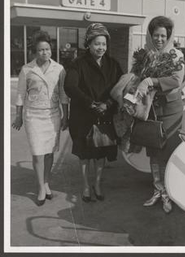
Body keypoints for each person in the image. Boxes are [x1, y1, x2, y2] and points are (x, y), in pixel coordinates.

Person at [64, 23, 122, 202]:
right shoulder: (78, 64)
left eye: (104, 44)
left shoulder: (113, 64)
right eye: (97, 43)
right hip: (83, 116)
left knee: (100, 153)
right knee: (84, 154)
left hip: (105, 114)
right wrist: (91, 103)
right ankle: (86, 186)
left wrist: (108, 104)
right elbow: (70, 87)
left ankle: (97, 184)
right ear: (88, 44)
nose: (101, 48)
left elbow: (121, 87)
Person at [133, 16, 185, 213]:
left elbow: (175, 81)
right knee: (154, 152)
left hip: (171, 111)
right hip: (151, 110)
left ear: (169, 36)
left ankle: (171, 193)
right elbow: (136, 80)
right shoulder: (146, 56)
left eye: (163, 35)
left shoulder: (176, 55)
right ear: (150, 35)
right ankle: (158, 190)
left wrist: (151, 81)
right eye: (156, 35)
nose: (159, 39)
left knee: (169, 151)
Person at [12, 30, 69, 206]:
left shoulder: (59, 69)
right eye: (40, 50)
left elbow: (63, 94)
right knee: (38, 154)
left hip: (53, 116)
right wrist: (18, 116)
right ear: (35, 52)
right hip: (34, 116)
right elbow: (21, 94)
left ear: (51, 49)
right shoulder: (27, 69)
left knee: (50, 152)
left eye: (47, 49)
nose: (45, 52)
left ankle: (46, 182)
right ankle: (40, 188)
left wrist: (65, 116)